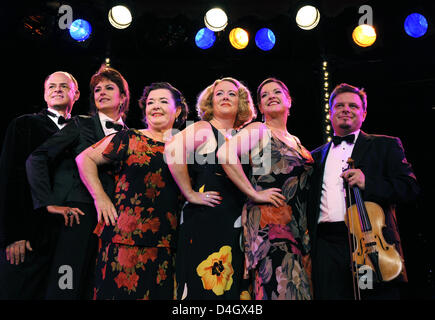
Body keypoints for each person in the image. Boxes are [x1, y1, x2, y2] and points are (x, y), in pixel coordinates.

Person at [307, 83, 420, 300]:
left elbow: (410, 188)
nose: (346, 109)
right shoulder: (314, 157)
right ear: (330, 113)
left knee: (368, 294)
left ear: (364, 113)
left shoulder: (385, 145)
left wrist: (369, 183)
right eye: (339, 105)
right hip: (327, 248)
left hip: (367, 245)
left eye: (353, 106)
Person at [76, 82, 188, 300]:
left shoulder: (187, 145)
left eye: (163, 102)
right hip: (123, 239)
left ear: (179, 109)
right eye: (150, 102)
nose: (155, 106)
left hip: (166, 242)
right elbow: (84, 158)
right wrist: (100, 197)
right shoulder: (129, 137)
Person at [25, 66, 129, 299]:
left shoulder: (132, 135)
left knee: (96, 284)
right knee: (66, 284)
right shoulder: (81, 124)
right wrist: (48, 202)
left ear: (123, 97)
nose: (101, 92)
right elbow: (37, 158)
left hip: (114, 220)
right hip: (79, 214)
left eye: (109, 88)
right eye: (97, 89)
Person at [217, 78, 313, 300]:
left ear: (289, 101)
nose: (271, 96)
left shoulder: (296, 140)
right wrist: (253, 193)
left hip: (298, 231)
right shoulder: (260, 130)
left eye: (277, 92)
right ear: (259, 107)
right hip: (272, 230)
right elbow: (225, 154)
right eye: (264, 95)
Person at [164, 77, 256, 300]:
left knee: (231, 292)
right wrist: (189, 193)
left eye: (232, 94)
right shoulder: (204, 128)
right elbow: (171, 150)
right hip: (205, 218)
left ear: (241, 102)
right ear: (210, 102)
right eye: (219, 94)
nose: (225, 97)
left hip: (236, 223)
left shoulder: (246, 136)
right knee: (201, 290)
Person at [0, 71, 80, 299]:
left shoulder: (84, 129)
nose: (57, 89)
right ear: (45, 95)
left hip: (67, 235)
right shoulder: (24, 124)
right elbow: (9, 180)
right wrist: (14, 235)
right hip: (30, 235)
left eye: (64, 86)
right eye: (52, 86)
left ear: (76, 94)